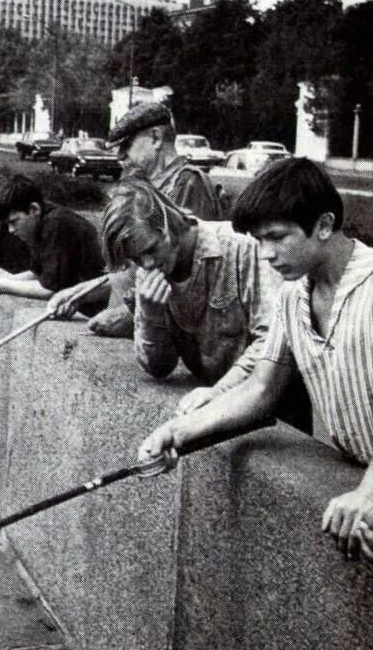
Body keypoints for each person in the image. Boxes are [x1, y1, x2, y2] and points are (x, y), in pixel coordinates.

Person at [138, 157, 373, 564]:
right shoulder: (292, 294)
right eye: (258, 240)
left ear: (323, 224)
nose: (265, 254)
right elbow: (261, 390)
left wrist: (367, 494)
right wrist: (179, 431)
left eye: (276, 237)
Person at [51, 179, 310, 430]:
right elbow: (158, 368)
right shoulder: (149, 269)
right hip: (211, 407)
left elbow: (274, 340)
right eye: (137, 259)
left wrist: (220, 391)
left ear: (168, 224)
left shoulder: (242, 247)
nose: (148, 264)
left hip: (278, 409)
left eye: (151, 249)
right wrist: (151, 316)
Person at [73, 101, 225, 338]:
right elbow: (136, 269)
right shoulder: (153, 187)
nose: (120, 157)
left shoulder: (187, 183)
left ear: (155, 137)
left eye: (126, 146)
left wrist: (127, 316)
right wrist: (81, 291)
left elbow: (189, 277)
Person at [0, 174, 104, 311]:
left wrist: (0, 285)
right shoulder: (40, 221)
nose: (11, 230)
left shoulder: (57, 224)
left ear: (34, 209)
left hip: (97, 306)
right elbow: (37, 273)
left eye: (14, 222)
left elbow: (49, 289)